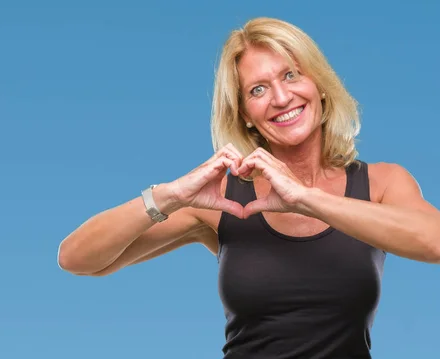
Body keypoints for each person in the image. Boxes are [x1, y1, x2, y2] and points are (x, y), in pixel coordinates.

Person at [57, 17, 440, 359]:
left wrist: (307, 199)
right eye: (257, 90)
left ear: (320, 85)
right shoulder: (223, 200)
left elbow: (434, 243)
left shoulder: (382, 183)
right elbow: (77, 258)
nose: (280, 98)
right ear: (245, 115)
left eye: (291, 75)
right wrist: (169, 195)